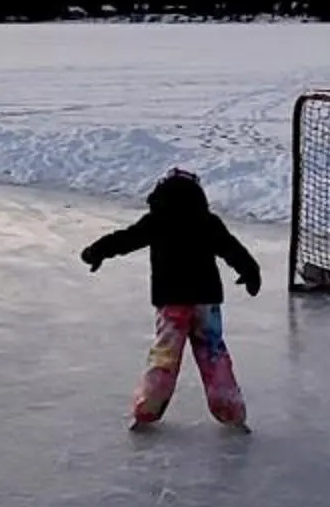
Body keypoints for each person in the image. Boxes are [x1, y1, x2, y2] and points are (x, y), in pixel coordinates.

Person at [81, 168, 262, 429]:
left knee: (165, 355)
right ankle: (231, 411)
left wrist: (96, 251)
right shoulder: (207, 221)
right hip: (205, 300)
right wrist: (250, 271)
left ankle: (147, 408)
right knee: (213, 353)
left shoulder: (157, 220)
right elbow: (231, 248)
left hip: (171, 300)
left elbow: (126, 239)